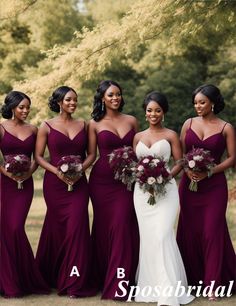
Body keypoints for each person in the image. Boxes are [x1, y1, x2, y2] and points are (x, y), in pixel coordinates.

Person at [133, 91, 194, 305]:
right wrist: (143, 177)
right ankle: (151, 287)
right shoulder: (138, 137)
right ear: (145, 112)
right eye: (149, 110)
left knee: (162, 235)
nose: (153, 114)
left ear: (164, 112)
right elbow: (135, 165)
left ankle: (169, 290)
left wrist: (163, 176)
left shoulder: (171, 135)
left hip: (166, 191)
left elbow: (180, 161)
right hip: (141, 193)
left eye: (157, 110)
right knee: (149, 239)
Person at [35, 86, 95, 298]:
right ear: (59, 102)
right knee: (58, 229)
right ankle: (53, 275)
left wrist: (80, 169)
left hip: (79, 183)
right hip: (55, 184)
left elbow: (91, 154)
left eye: (75, 100)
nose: (72, 103)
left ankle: (74, 281)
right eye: (68, 99)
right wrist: (57, 172)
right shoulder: (46, 126)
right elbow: (40, 156)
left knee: (76, 228)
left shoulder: (84, 124)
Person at [177, 84, 236, 300]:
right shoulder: (188, 124)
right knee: (189, 232)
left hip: (214, 187)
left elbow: (232, 158)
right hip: (189, 186)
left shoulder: (226, 127)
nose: (198, 106)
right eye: (195, 103)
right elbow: (180, 154)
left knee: (212, 233)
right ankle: (191, 281)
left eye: (202, 102)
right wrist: (187, 170)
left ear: (213, 102)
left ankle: (213, 285)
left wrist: (209, 171)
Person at [88, 80, 139, 300]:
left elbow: (139, 150)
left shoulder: (132, 120)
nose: (115, 98)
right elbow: (91, 155)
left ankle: (120, 282)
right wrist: (71, 171)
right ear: (102, 98)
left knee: (122, 226)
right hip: (101, 182)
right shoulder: (94, 123)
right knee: (103, 228)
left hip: (126, 183)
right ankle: (102, 277)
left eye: (118, 94)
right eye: (110, 95)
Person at [0, 91, 49, 297]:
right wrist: (9, 175)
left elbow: (37, 157)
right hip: (5, 183)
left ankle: (22, 278)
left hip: (24, 186)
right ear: (12, 108)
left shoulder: (34, 129)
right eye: (21, 107)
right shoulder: (1, 128)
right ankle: (9, 281)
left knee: (15, 227)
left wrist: (27, 173)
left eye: (28, 107)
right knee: (5, 230)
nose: (25, 111)